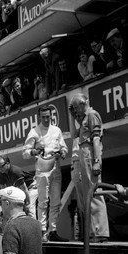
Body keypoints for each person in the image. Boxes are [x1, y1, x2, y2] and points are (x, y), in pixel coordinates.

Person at [23, 105, 68, 242]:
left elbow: (64, 146)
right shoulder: (34, 132)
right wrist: (34, 151)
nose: (46, 119)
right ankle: (42, 231)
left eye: (48, 117)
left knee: (56, 201)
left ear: (51, 116)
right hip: (42, 169)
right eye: (43, 117)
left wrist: (63, 152)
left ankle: (53, 230)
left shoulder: (56, 130)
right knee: (43, 201)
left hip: (56, 166)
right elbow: (25, 152)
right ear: (39, 117)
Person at [69, 93, 109, 242]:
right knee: (88, 194)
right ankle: (94, 231)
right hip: (83, 152)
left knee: (95, 191)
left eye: (75, 107)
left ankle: (100, 232)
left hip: (89, 153)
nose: (75, 110)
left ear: (81, 103)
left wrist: (97, 161)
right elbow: (74, 135)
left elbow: (97, 139)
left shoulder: (92, 114)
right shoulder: (84, 118)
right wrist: (72, 116)